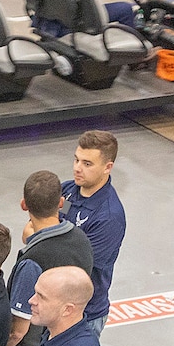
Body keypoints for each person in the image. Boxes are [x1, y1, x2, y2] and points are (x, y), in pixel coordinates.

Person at [5, 170, 94, 346]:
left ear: (24, 205)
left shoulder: (33, 260)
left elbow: (18, 332)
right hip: (66, 343)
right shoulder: (81, 240)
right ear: (61, 203)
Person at [60, 131, 127, 333]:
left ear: (108, 167)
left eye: (87, 164)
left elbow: (79, 269)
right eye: (76, 160)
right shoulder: (66, 191)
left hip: (83, 316)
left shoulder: (109, 217)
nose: (77, 168)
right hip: (53, 305)